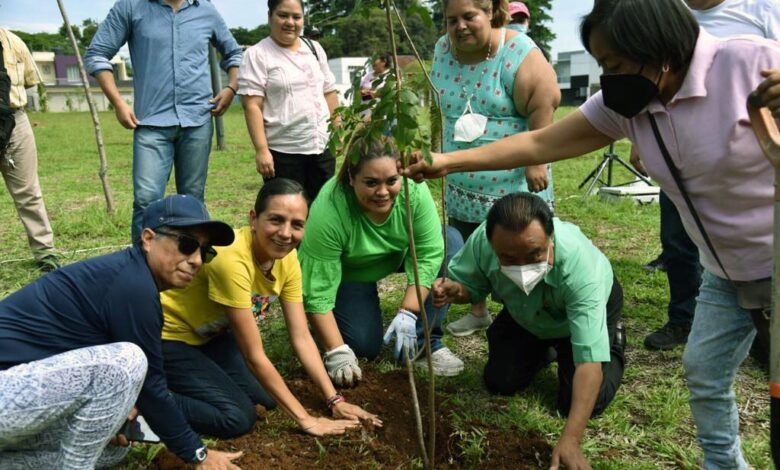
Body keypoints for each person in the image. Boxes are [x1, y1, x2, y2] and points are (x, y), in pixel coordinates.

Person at [403, 0, 780, 467]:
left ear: (658, 48)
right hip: (723, 271)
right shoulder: (631, 104)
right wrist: (445, 162)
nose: (609, 78)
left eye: (615, 65)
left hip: (775, 260)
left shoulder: (751, 62)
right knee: (703, 374)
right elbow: (538, 142)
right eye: (602, 65)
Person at [0, 195, 243, 469]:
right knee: (127, 361)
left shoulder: (130, 276)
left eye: (205, 251)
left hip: (21, 398)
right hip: (7, 393)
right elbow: (151, 385)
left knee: (111, 450)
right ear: (148, 239)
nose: (197, 260)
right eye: (187, 245)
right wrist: (197, 453)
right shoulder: (133, 286)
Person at [160, 179, 379, 438]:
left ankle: (194, 378)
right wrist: (306, 420)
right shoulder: (231, 260)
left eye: (297, 225)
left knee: (267, 399)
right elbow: (254, 355)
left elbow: (301, 336)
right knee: (237, 417)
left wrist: (335, 400)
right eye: (276, 220)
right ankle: (148, 401)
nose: (286, 234)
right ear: (254, 219)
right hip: (170, 338)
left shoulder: (288, 259)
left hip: (212, 338)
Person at [433, 192, 625, 469]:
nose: (522, 267)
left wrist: (570, 440)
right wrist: (457, 291)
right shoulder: (483, 242)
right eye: (508, 258)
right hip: (526, 313)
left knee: (581, 403)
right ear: (492, 244)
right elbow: (471, 286)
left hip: (579, 318)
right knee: (501, 381)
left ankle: (614, 340)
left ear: (551, 239)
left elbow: (588, 361)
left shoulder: (582, 275)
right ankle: (547, 349)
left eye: (534, 254)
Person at [637, 0, 780, 352]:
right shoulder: (668, 13)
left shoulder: (762, 10)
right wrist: (640, 137)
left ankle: (762, 328)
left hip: (748, 162)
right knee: (678, 242)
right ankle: (682, 318)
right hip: (678, 155)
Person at [432, 0, 559, 337]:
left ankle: (528, 318)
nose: (459, 26)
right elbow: (439, 103)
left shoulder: (517, 50)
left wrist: (535, 161)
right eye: (451, 19)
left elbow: (544, 101)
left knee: (516, 249)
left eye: (469, 16)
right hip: (460, 176)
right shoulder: (442, 49)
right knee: (468, 247)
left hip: (510, 181)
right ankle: (477, 309)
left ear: (490, 12)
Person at [298, 136, 464, 385]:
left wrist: (409, 311)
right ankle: (346, 314)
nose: (383, 192)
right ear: (351, 178)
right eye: (371, 182)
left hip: (398, 254)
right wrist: (336, 350)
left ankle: (422, 345)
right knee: (362, 347)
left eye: (391, 181)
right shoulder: (330, 210)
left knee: (449, 241)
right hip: (349, 271)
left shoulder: (413, 191)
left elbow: (429, 252)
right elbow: (317, 287)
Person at [85, 0, 243, 244]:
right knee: (146, 200)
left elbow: (233, 53)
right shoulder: (131, 7)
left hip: (197, 121)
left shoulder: (205, 10)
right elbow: (97, 54)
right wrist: (118, 103)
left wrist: (232, 87)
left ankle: (190, 263)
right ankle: (141, 264)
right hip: (150, 124)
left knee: (192, 199)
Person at [239, 0, 340, 203]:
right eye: (283, 15)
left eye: (296, 17)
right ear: (270, 17)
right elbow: (252, 105)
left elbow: (328, 91)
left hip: (321, 147)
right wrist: (261, 150)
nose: (290, 22)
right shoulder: (257, 55)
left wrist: (337, 129)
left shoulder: (314, 48)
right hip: (283, 153)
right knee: (288, 210)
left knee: (324, 208)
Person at [0, 28, 58, 271]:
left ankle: (45, 253)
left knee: (29, 192)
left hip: (15, 119)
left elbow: (29, 81)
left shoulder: (13, 42)